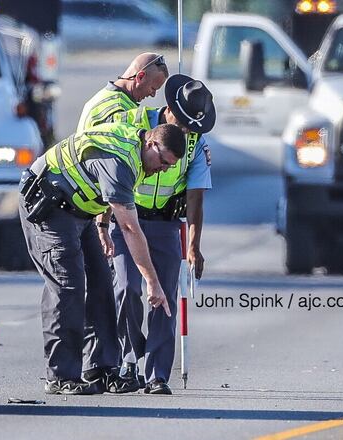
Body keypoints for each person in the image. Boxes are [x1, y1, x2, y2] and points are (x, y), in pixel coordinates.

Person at [19, 122, 186, 395]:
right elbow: (130, 228)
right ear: (151, 144)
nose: (164, 169)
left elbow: (111, 191)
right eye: (164, 162)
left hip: (80, 209)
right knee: (68, 286)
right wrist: (153, 283)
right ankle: (60, 376)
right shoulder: (121, 160)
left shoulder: (139, 155)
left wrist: (102, 225)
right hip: (49, 204)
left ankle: (100, 367)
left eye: (170, 166)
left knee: (102, 283)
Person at [98, 74, 216, 395]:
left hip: (165, 223)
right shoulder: (132, 122)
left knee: (163, 299)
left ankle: (156, 374)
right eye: (184, 123)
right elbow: (108, 172)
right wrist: (102, 222)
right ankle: (128, 360)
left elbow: (195, 196)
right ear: (169, 110)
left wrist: (193, 246)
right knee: (126, 288)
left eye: (193, 126)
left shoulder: (195, 144)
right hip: (127, 217)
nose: (186, 131)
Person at [76, 53, 169, 132]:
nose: (153, 95)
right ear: (140, 77)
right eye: (153, 88)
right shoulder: (117, 108)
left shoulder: (106, 96)